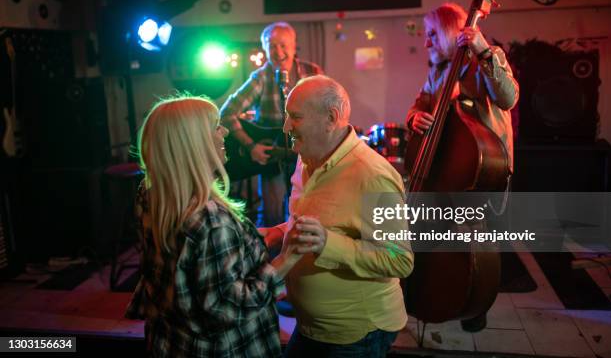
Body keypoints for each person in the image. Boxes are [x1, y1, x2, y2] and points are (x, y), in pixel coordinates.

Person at [124, 95, 303, 358]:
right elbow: (227, 309)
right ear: (194, 145)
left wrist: (274, 233)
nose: (226, 132)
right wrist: (287, 260)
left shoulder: (153, 194)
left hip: (170, 341)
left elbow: (200, 260)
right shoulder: (212, 220)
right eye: (216, 126)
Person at [272, 75, 413, 357]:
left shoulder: (372, 175)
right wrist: (279, 231)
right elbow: (321, 219)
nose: (286, 127)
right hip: (314, 327)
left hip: (355, 335)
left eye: (295, 117)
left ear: (330, 117)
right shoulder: (306, 157)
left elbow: (400, 260)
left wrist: (328, 244)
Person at [405, 2, 519, 332]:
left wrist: (483, 51)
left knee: (484, 246)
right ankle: (437, 290)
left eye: (431, 35)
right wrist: (415, 117)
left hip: (482, 173)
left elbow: (508, 97)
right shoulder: (437, 70)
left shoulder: (485, 59)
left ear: (452, 31)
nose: (426, 42)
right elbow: (419, 102)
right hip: (446, 172)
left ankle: (475, 303)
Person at [220, 22, 323, 228]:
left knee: (310, 212)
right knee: (273, 218)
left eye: (283, 45)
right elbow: (226, 113)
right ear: (265, 49)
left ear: (294, 46)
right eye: (272, 46)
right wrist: (251, 146)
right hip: (273, 160)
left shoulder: (312, 72)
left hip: (307, 157)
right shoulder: (260, 77)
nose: (278, 52)